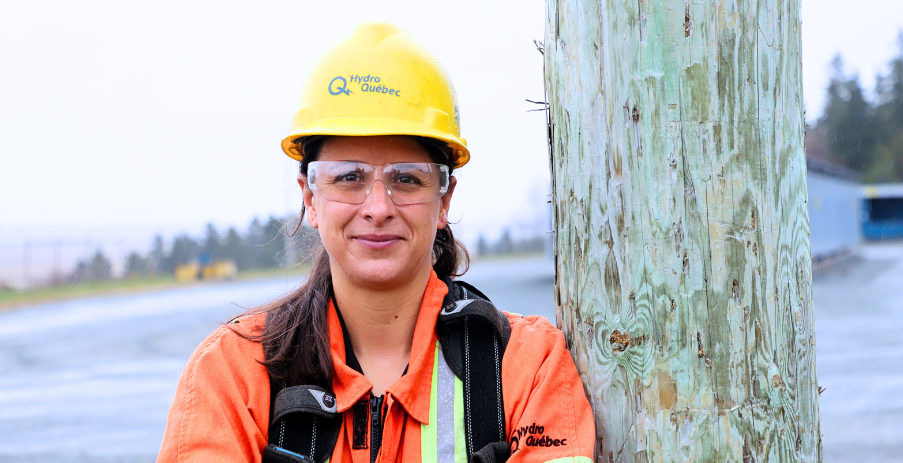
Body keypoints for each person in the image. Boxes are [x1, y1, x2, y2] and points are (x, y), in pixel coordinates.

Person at [157, 23, 595, 463]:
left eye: (406, 178)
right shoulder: (233, 373)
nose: (378, 207)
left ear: (444, 200)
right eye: (350, 177)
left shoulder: (524, 367)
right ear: (310, 198)